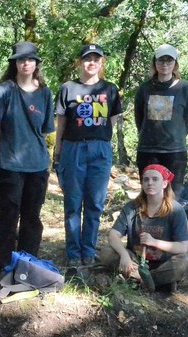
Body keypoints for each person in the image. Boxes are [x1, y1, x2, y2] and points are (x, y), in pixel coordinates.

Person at [53, 44, 123, 268]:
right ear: (80, 62)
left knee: (94, 203)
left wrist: (100, 139)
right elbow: (62, 121)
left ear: (102, 62)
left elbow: (112, 120)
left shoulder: (110, 89)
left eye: (96, 58)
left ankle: (88, 251)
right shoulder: (68, 88)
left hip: (100, 149)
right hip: (73, 148)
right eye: (87, 59)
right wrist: (57, 150)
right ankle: (73, 252)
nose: (91, 62)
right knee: (73, 203)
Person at [0, 41, 56, 272]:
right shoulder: (5, 90)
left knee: (32, 217)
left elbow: (47, 129)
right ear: (15, 63)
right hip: (11, 164)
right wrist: (0, 152)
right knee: (8, 216)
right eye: (21, 59)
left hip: (37, 165)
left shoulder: (45, 93)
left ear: (36, 63)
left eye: (30, 59)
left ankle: (28, 265)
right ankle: (1, 264)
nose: (25, 63)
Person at [98, 164, 188, 292]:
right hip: (135, 262)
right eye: (146, 179)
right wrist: (124, 255)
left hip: (164, 264)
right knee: (104, 251)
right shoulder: (131, 207)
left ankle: (144, 279)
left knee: (186, 261)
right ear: (142, 183)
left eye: (155, 179)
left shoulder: (176, 210)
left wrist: (154, 242)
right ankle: (152, 281)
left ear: (165, 183)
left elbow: (182, 247)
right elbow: (113, 235)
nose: (150, 183)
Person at [134, 44, 188, 200]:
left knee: (172, 196)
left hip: (175, 152)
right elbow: (139, 117)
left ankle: (171, 224)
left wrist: (177, 135)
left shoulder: (184, 88)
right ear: (155, 63)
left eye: (169, 61)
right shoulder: (145, 88)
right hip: (148, 150)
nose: (165, 65)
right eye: (161, 61)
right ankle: (150, 223)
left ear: (175, 63)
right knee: (150, 195)